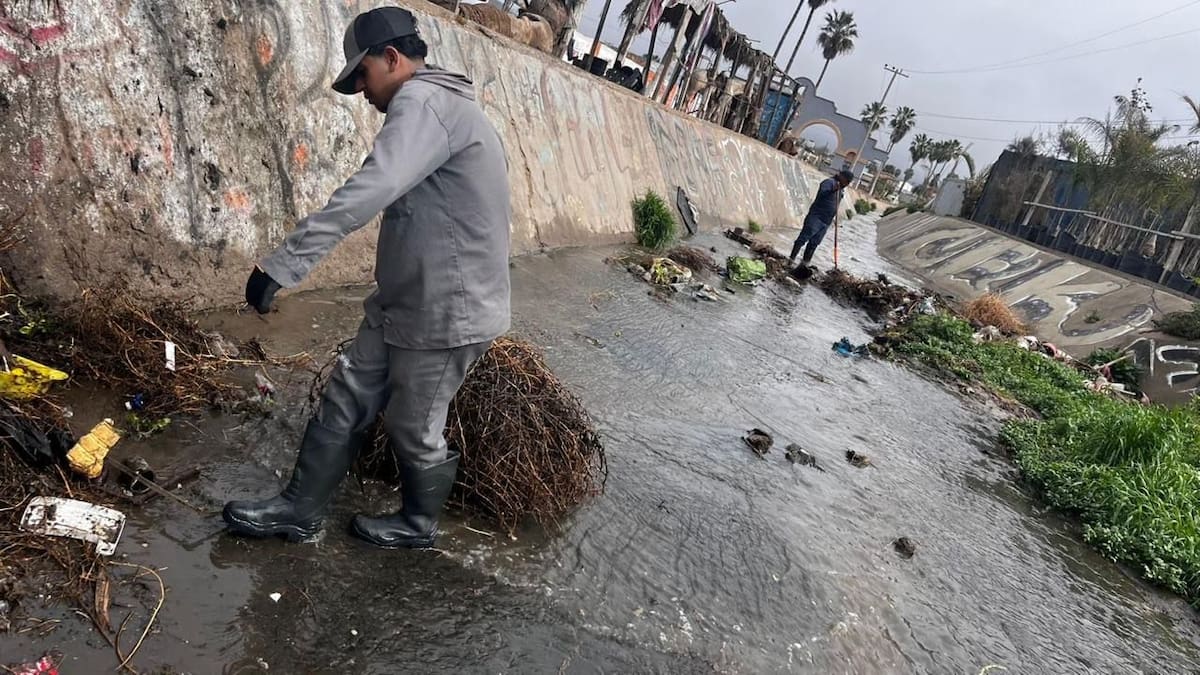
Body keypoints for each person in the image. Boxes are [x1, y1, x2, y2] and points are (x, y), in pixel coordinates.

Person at [224, 6, 511, 549]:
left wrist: (282, 264)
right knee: (347, 394)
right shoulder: (437, 104)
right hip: (405, 299)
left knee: (412, 425)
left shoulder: (424, 103)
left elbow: (369, 190)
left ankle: (418, 525)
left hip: (449, 310)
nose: (361, 88)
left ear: (393, 58)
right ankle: (298, 510)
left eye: (363, 73)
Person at [789, 169, 854, 267]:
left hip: (826, 222)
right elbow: (822, 193)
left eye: (849, 182)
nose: (847, 184)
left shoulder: (841, 189)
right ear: (842, 177)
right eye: (847, 181)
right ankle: (791, 260)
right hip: (816, 217)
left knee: (814, 244)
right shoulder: (829, 183)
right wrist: (833, 189)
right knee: (803, 239)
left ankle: (804, 264)